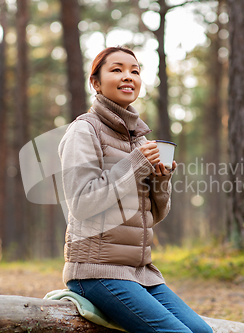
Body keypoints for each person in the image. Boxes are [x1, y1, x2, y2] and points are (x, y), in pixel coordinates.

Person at [58, 46, 212, 333]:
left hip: (142, 274)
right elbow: (80, 204)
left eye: (135, 71)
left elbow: (153, 217)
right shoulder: (84, 130)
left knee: (203, 331)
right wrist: (135, 165)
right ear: (96, 83)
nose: (128, 76)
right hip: (96, 272)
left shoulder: (140, 141)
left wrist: (160, 182)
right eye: (116, 70)